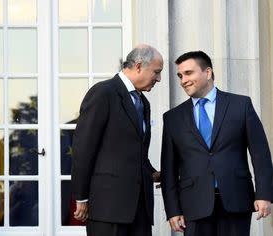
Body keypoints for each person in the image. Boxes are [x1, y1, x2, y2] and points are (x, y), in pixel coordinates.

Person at [161, 51, 273, 236]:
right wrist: (173, 210)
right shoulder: (173, 118)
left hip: (236, 200)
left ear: (208, 72)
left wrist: (264, 194)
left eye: (189, 73)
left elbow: (260, 154)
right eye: (180, 76)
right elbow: (169, 169)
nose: (183, 80)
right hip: (194, 205)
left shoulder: (241, 105)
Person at [71, 44, 163, 236]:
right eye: (156, 72)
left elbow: (135, 151)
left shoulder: (143, 102)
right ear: (138, 65)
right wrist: (81, 197)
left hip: (140, 210)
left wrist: (155, 173)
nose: (159, 79)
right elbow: (83, 148)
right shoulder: (103, 93)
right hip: (108, 209)